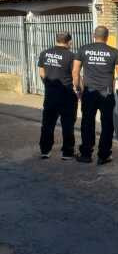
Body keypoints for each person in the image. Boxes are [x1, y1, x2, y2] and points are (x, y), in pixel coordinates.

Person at [73, 26, 118, 165]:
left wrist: (78, 89)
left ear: (94, 35)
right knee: (107, 124)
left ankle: (86, 155)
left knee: (87, 122)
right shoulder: (114, 52)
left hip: (89, 92)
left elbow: (75, 71)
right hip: (107, 93)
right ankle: (104, 155)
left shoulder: (83, 49)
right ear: (107, 37)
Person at [38, 32, 78, 160]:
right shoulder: (71, 56)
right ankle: (67, 152)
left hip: (50, 95)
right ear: (69, 42)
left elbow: (41, 71)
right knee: (67, 124)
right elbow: (75, 74)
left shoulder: (44, 53)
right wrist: (79, 89)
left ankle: (45, 150)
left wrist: (47, 84)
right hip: (66, 95)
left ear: (57, 40)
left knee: (47, 124)